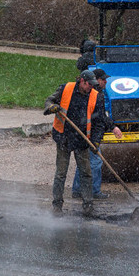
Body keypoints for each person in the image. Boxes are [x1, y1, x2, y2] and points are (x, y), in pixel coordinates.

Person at [44, 69, 107, 217]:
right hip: (63, 137)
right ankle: (57, 206)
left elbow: (99, 122)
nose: (91, 87)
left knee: (86, 173)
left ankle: (88, 205)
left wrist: (96, 141)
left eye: (92, 85)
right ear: (82, 81)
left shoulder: (96, 97)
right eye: (89, 85)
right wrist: (51, 107)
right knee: (61, 173)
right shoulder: (65, 89)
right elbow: (49, 101)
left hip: (82, 140)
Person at [71, 68, 123, 199]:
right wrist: (108, 131)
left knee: (83, 162)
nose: (105, 81)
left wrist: (112, 127)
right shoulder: (95, 95)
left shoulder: (92, 93)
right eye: (103, 79)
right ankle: (93, 191)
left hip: (84, 133)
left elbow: (100, 117)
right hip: (88, 134)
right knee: (95, 162)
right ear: (96, 80)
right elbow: (100, 119)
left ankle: (77, 190)